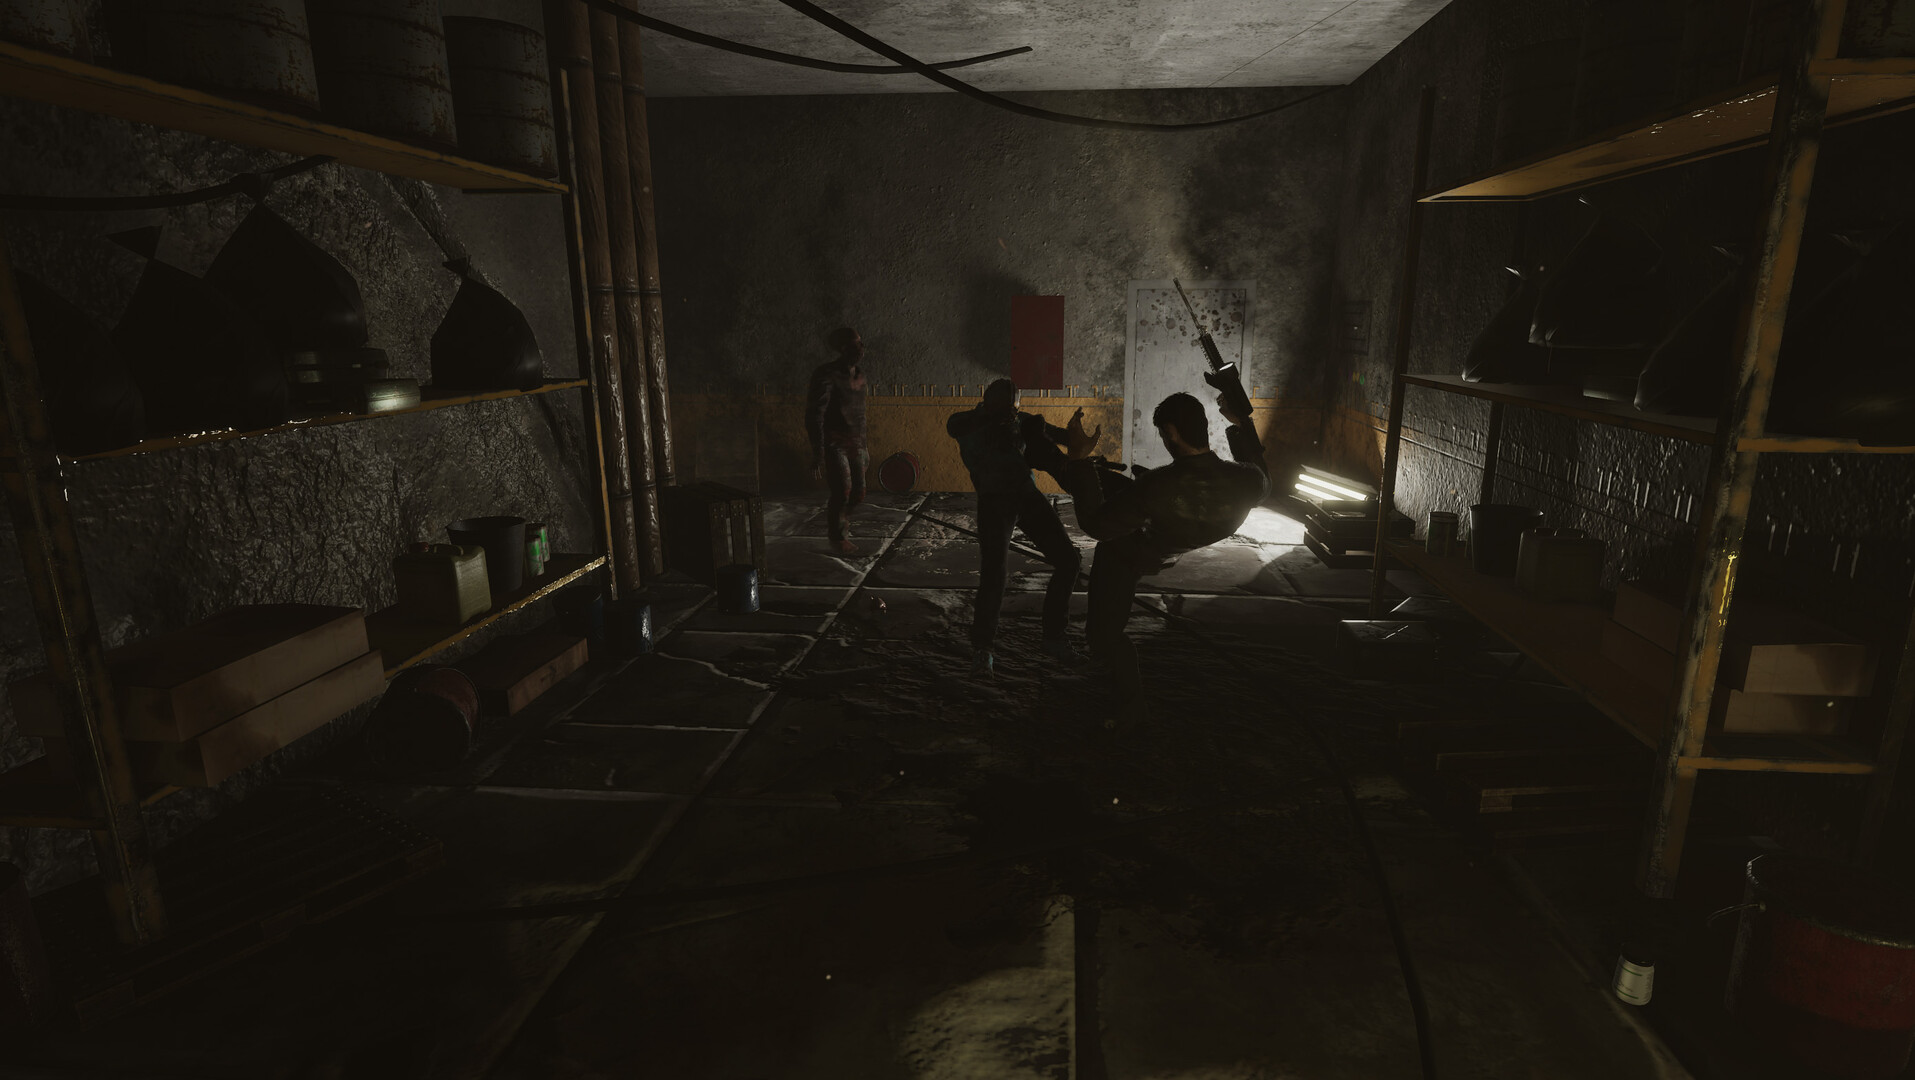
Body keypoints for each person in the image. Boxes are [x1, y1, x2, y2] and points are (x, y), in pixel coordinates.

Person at [1058, 391, 1268, 724]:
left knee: (1103, 636)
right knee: (1112, 484)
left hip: (1133, 551)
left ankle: (1131, 709)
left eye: (1163, 434)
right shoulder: (1248, 481)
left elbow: (1096, 526)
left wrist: (1079, 459)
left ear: (1171, 433)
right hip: (1174, 541)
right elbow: (1261, 472)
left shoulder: (1157, 485)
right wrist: (1242, 423)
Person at [946, 379, 1084, 676]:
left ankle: (1053, 638)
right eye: (1007, 407)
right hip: (994, 503)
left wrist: (1075, 435)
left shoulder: (1018, 420)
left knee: (1069, 561)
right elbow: (954, 425)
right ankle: (983, 649)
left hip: (1026, 496)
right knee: (994, 575)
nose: (1013, 412)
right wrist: (993, 419)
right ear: (988, 401)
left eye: (1015, 407)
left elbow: (1055, 435)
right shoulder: (967, 422)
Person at [807, 327, 869, 555]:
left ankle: (841, 520)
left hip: (857, 444)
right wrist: (818, 450)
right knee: (842, 491)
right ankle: (838, 536)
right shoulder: (826, 374)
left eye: (861, 343)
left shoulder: (860, 375)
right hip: (835, 444)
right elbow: (815, 414)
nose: (861, 348)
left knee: (859, 493)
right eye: (855, 344)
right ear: (842, 348)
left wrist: (864, 445)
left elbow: (860, 413)